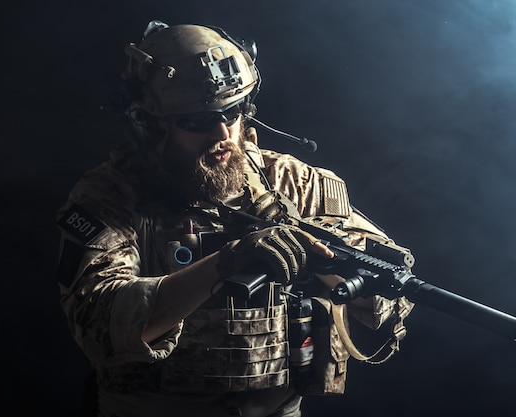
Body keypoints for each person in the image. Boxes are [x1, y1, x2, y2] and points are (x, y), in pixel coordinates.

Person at [55, 20, 415, 417]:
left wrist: (325, 259)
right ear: (149, 124)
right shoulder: (111, 195)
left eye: (233, 111)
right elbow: (98, 324)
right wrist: (225, 264)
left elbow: (393, 292)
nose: (223, 132)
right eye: (197, 121)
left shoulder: (293, 183)